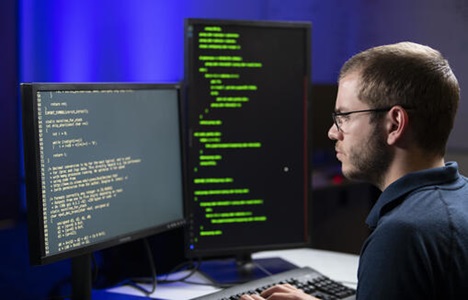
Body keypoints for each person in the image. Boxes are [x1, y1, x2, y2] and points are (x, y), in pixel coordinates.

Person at [241, 41, 468, 299]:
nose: (333, 132)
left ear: (395, 124)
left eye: (345, 116)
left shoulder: (402, 235)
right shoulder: (459, 201)